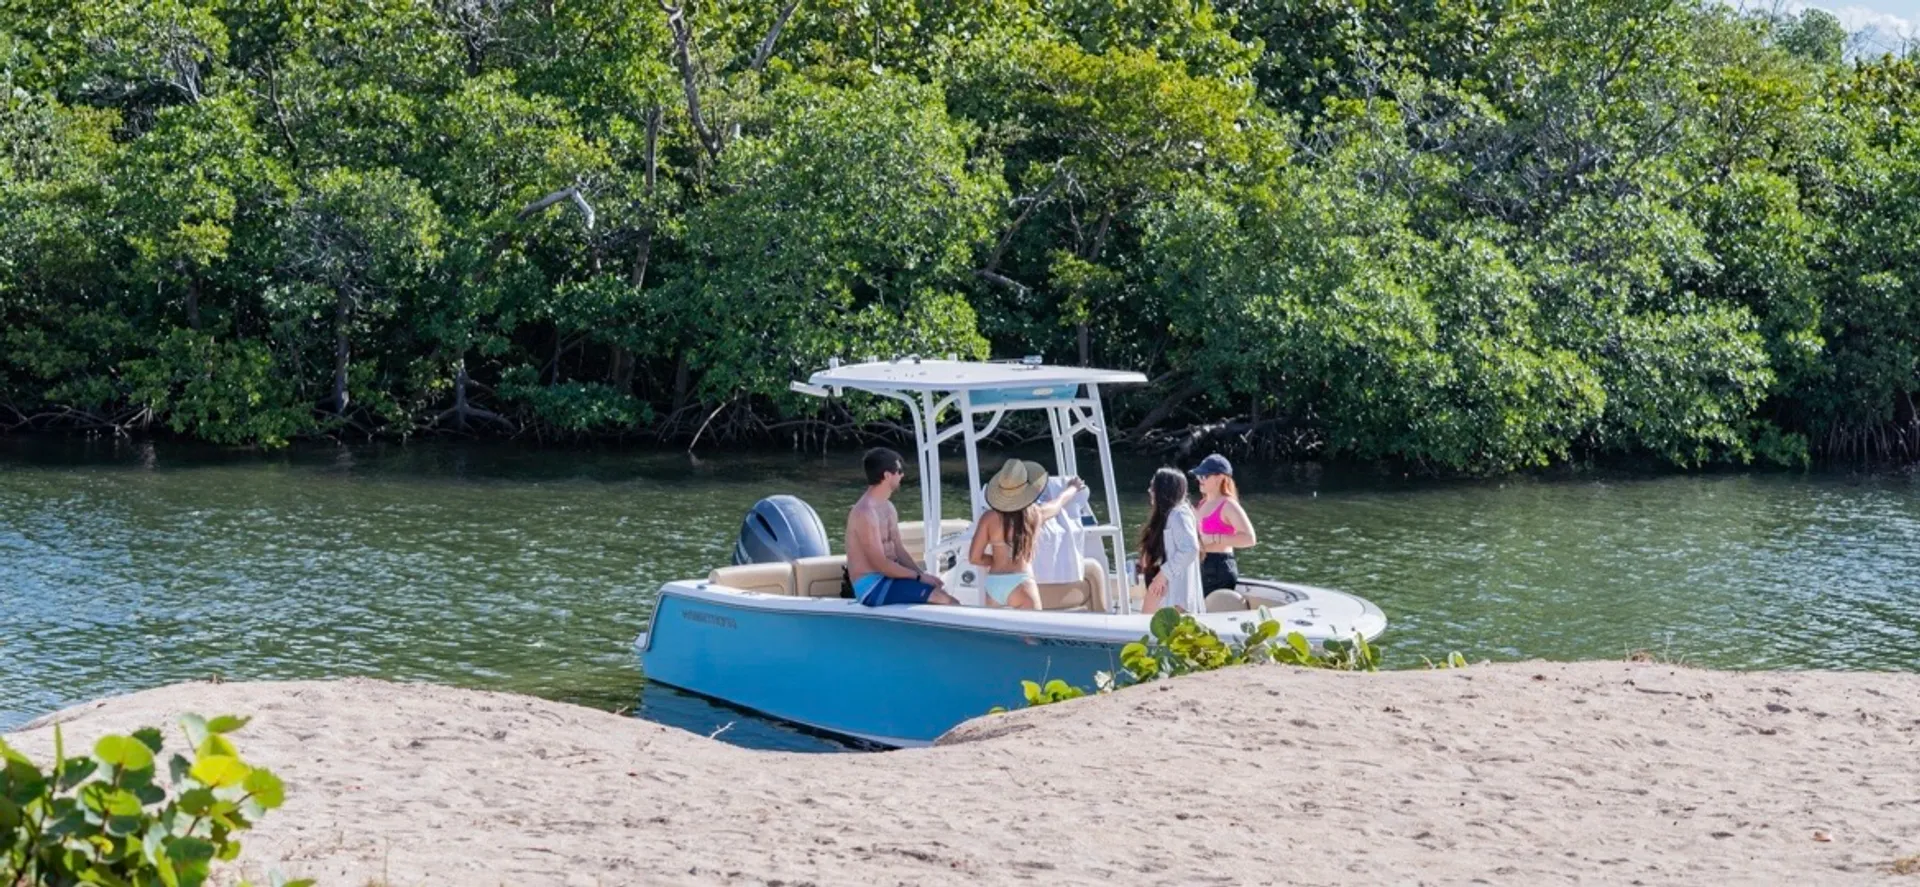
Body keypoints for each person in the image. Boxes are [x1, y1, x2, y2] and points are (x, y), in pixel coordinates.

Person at [846, 447, 957, 606]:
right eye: (899, 470)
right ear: (886, 475)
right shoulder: (864, 513)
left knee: (942, 593)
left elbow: (899, 550)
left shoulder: (888, 507)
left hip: (891, 579)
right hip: (872, 587)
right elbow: (881, 564)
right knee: (945, 600)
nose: (902, 475)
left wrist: (922, 574)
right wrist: (919, 578)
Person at [968, 459, 1085, 610]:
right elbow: (1058, 503)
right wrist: (1073, 488)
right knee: (1031, 633)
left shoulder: (989, 518)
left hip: (994, 583)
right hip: (1021, 581)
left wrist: (996, 560)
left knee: (996, 633)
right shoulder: (1034, 514)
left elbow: (974, 558)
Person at [1137, 467, 1203, 613]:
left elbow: (1190, 549)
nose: (1150, 491)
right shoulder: (1173, 515)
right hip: (1168, 592)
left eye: (1153, 487)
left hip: (1176, 596)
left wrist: (1163, 575)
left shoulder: (1179, 514)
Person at [1192, 453, 1256, 595]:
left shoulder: (1228, 505)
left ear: (1219, 478)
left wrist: (1215, 538)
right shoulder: (1202, 503)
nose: (1199, 480)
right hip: (1201, 565)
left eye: (1204, 476)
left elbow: (1250, 539)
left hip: (1219, 567)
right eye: (1198, 476)